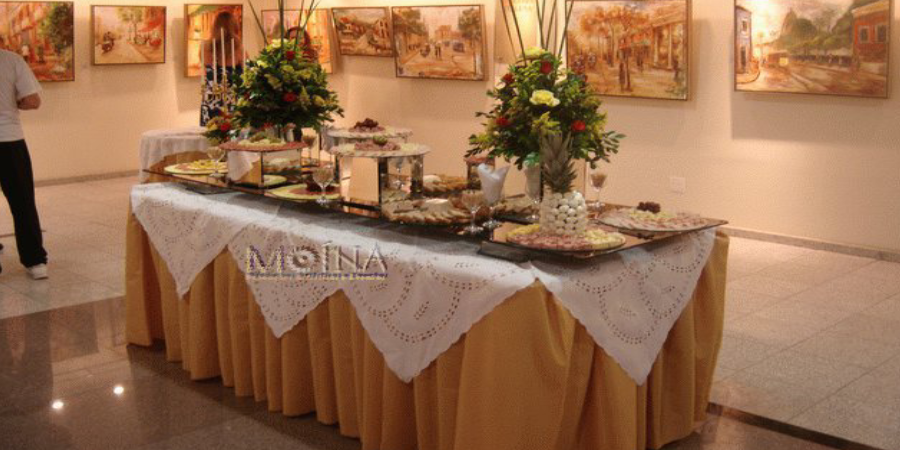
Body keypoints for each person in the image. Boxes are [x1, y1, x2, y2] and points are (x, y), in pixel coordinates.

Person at [0, 48, 48, 279]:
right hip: (10, 141)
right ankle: (35, 261)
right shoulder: (11, 60)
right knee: (22, 202)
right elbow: (32, 101)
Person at [200, 11, 244, 126]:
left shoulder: (204, 47)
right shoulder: (239, 48)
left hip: (211, 97)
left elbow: (205, 69)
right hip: (232, 98)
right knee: (232, 130)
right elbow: (246, 72)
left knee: (212, 131)